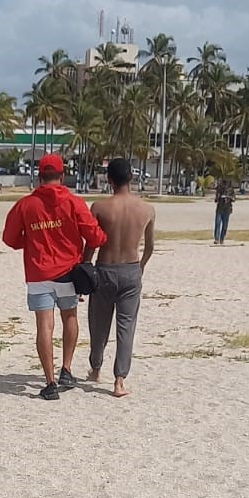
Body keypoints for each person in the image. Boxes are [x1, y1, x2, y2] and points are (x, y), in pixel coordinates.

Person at [2, 154, 107, 400]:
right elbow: (96, 236)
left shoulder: (26, 204)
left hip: (38, 271)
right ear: (62, 176)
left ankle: (49, 382)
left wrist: (28, 241)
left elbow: (9, 238)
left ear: (39, 177)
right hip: (68, 272)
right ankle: (66, 369)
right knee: (69, 316)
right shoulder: (73, 202)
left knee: (44, 326)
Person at [83, 159, 155, 398]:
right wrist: (141, 267)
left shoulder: (99, 207)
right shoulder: (147, 209)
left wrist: (85, 268)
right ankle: (119, 381)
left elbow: (92, 244)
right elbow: (150, 247)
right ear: (131, 178)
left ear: (109, 180)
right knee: (126, 327)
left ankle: (96, 367)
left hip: (105, 268)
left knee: (98, 324)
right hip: (131, 270)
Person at [214, 180, 235, 245]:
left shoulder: (231, 190)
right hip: (220, 208)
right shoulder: (219, 189)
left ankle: (222, 239)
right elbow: (216, 200)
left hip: (227, 209)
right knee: (217, 224)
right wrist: (218, 197)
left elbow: (234, 199)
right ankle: (217, 239)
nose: (224, 185)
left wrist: (229, 198)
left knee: (225, 226)